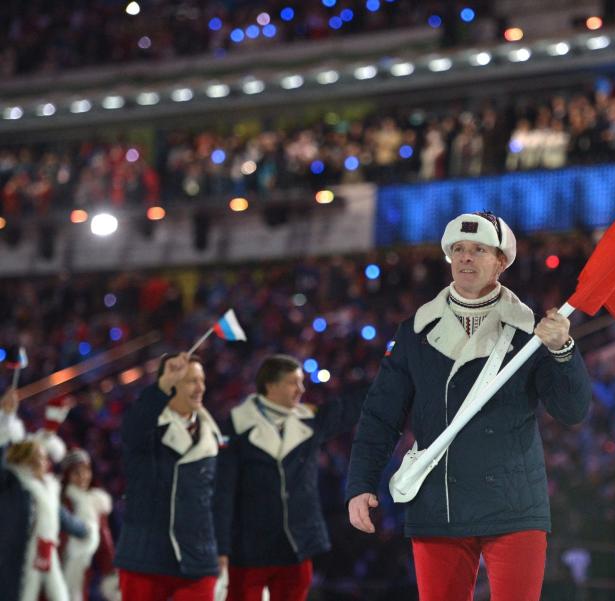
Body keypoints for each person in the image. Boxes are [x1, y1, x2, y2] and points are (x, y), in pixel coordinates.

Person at [346, 211, 592, 601]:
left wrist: (563, 349)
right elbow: (380, 416)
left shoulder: (532, 329)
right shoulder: (415, 331)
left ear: (501, 261)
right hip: (438, 505)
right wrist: (360, 485)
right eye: (458, 249)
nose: (465, 258)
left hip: (513, 506)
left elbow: (572, 411)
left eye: (479, 250)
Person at [214, 354, 363, 601]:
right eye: (294, 382)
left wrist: (393, 376)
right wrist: (221, 547)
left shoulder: (309, 421)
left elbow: (350, 408)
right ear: (271, 386)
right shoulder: (234, 428)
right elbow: (223, 492)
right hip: (250, 550)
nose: (301, 389)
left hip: (297, 546)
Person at [114, 352, 222, 601]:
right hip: (146, 557)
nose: (200, 388)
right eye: (191, 381)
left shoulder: (214, 436)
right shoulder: (147, 428)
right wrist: (161, 386)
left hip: (198, 559)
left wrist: (224, 550)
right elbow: (132, 430)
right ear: (171, 384)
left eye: (202, 380)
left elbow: (219, 499)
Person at [3, 438, 69, 601]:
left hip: (44, 556)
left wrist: (87, 530)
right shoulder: (12, 484)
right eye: (39, 457)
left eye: (45, 457)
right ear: (24, 460)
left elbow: (64, 518)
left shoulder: (49, 490)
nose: (44, 462)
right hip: (12, 561)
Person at [59, 449, 118, 601]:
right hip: (53, 568)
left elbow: (105, 545)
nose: (82, 477)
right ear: (67, 476)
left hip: (79, 575)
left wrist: (110, 574)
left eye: (86, 471)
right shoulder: (59, 502)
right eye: (76, 473)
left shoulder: (95, 503)